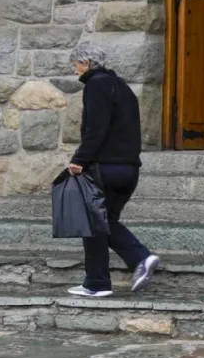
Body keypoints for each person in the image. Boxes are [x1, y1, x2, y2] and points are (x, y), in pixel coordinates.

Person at [66, 43, 160, 298]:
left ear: (85, 64)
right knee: (103, 222)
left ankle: (108, 277)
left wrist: (80, 159)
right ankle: (113, 273)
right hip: (128, 170)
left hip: (105, 168)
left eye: (75, 66)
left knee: (93, 221)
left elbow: (96, 128)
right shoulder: (123, 87)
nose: (75, 71)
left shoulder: (96, 85)